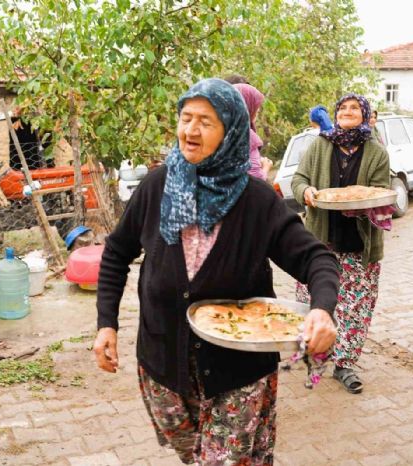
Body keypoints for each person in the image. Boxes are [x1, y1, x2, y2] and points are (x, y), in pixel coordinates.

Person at [94, 78, 339, 465]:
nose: (190, 130)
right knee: (190, 453)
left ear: (231, 130)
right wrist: (106, 323)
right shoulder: (157, 187)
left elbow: (317, 260)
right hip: (163, 363)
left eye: (205, 121)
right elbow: (116, 253)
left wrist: (322, 309)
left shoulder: (257, 201)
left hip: (237, 371)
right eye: (185, 117)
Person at [291, 93, 390, 395]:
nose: (348, 112)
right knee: (318, 300)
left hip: (359, 244)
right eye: (343, 108)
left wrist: (365, 204)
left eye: (354, 108)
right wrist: (307, 191)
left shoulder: (376, 152)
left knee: (355, 307)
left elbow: (382, 192)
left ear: (365, 115)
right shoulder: (319, 145)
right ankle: (318, 351)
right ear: (335, 114)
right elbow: (298, 180)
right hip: (321, 241)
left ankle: (345, 364)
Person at [234, 83, 273, 180]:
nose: (257, 110)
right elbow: (256, 179)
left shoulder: (219, 134)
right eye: (256, 106)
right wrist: (265, 167)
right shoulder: (245, 136)